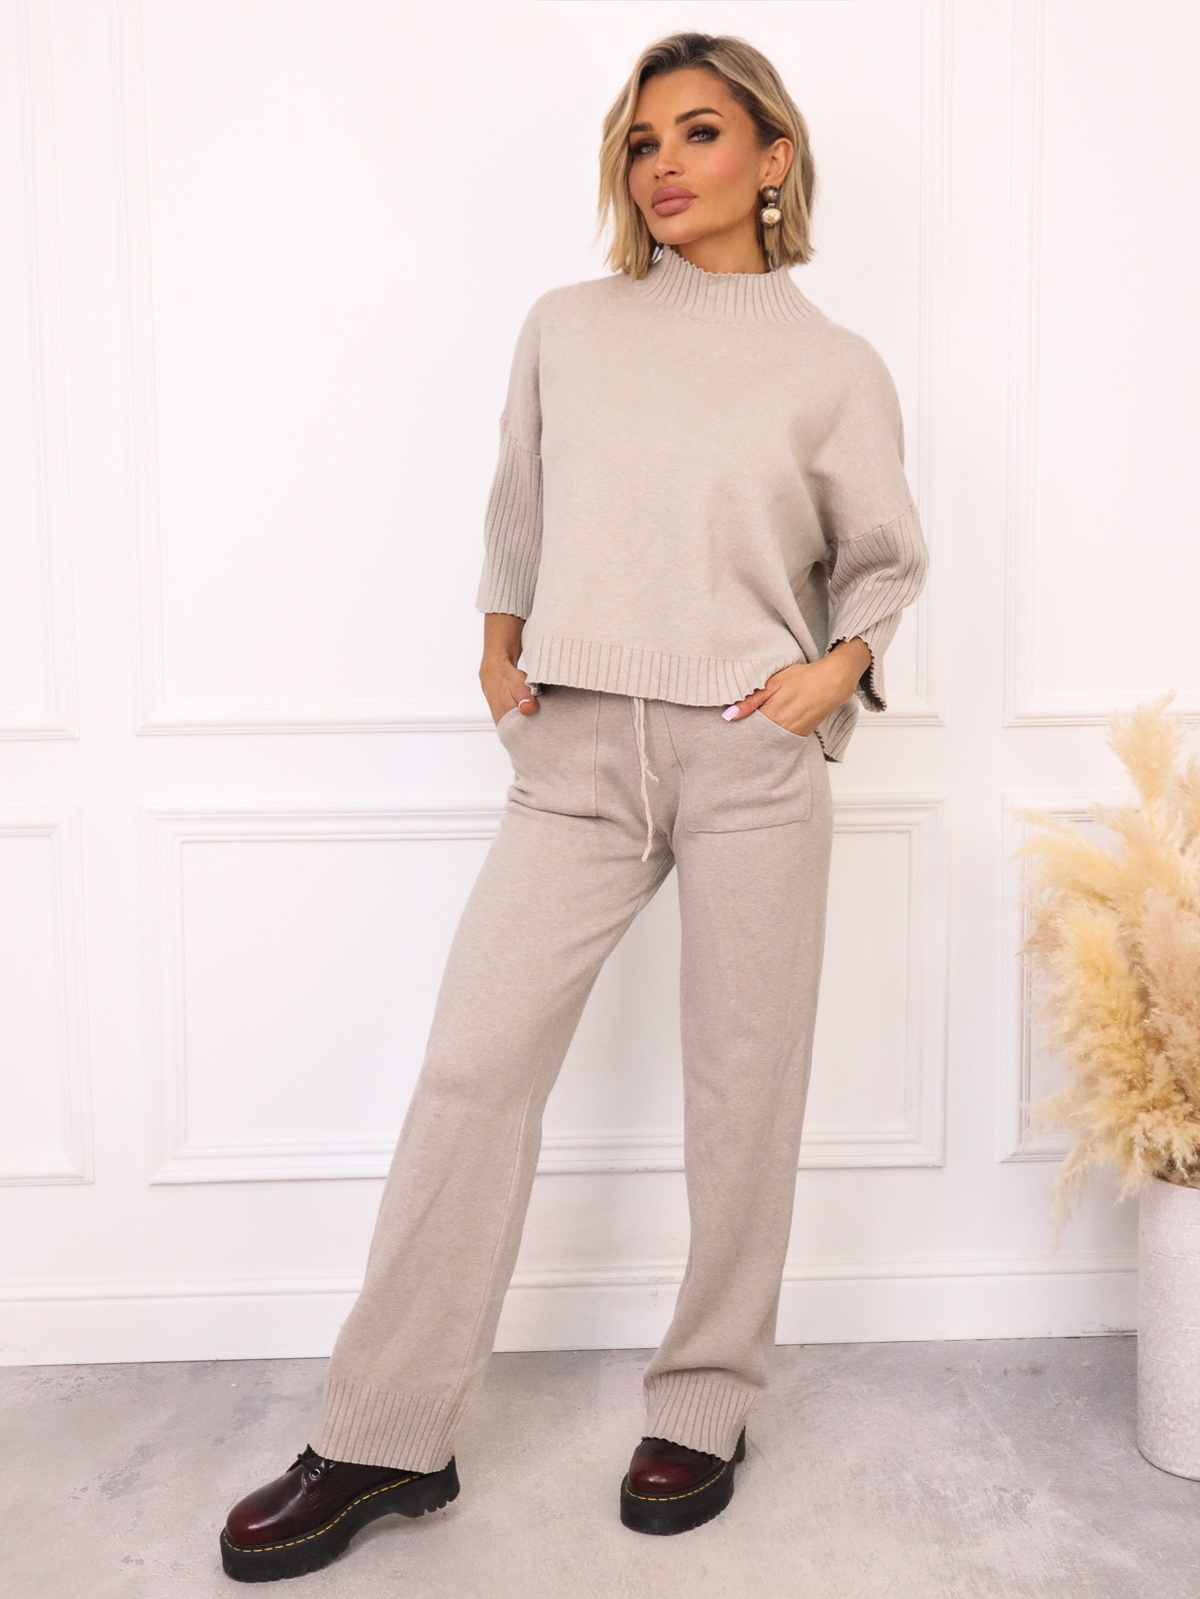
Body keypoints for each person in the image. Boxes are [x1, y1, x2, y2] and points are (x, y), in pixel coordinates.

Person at [219, 29, 929, 1583]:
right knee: (473, 1070)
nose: (663, 164)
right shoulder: (569, 327)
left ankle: (706, 1400)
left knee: (742, 1093)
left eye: (699, 133)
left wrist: (834, 673)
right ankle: (385, 1434)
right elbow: (519, 508)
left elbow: (884, 556)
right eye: (641, 142)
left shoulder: (833, 368)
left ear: (774, 157)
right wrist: (498, 647)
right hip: (580, 754)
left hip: (747, 753)